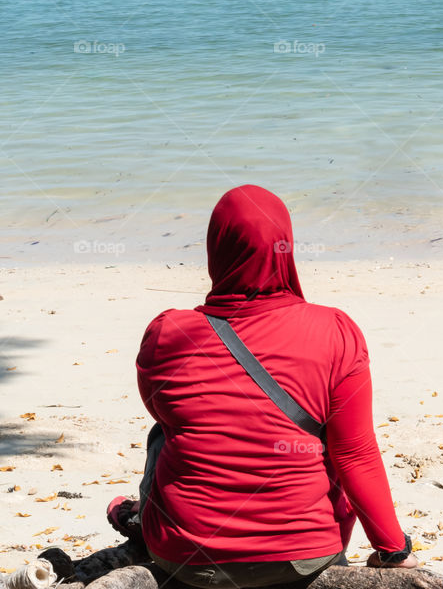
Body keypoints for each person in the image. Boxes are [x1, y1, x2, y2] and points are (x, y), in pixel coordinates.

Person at [122, 185, 417, 588]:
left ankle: (140, 517)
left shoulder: (167, 333)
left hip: (186, 556)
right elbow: (355, 453)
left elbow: (165, 413)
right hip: (306, 554)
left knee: (165, 430)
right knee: (326, 435)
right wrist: (392, 549)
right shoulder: (335, 330)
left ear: (216, 247)